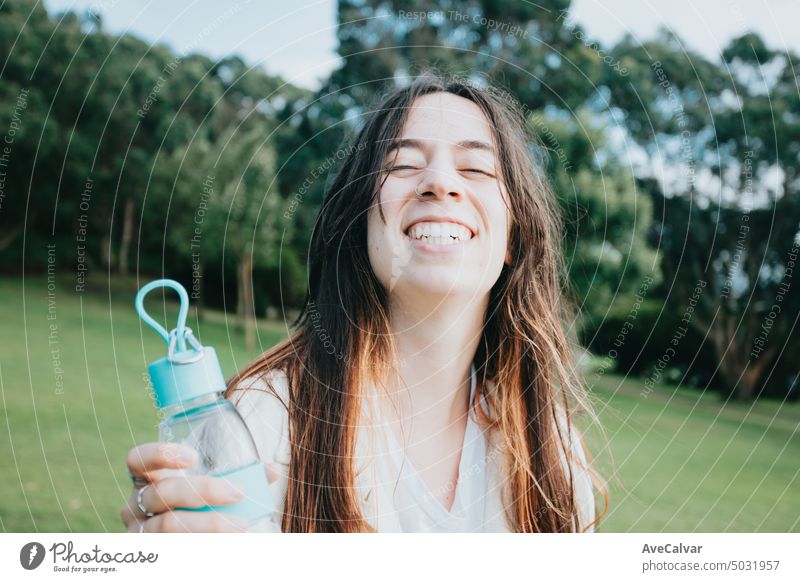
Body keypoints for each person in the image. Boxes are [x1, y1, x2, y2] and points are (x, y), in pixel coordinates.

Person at [121, 73, 604, 533]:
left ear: (512, 240)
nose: (439, 182)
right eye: (402, 164)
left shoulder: (555, 457)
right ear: (363, 225)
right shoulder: (264, 419)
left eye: (476, 167)